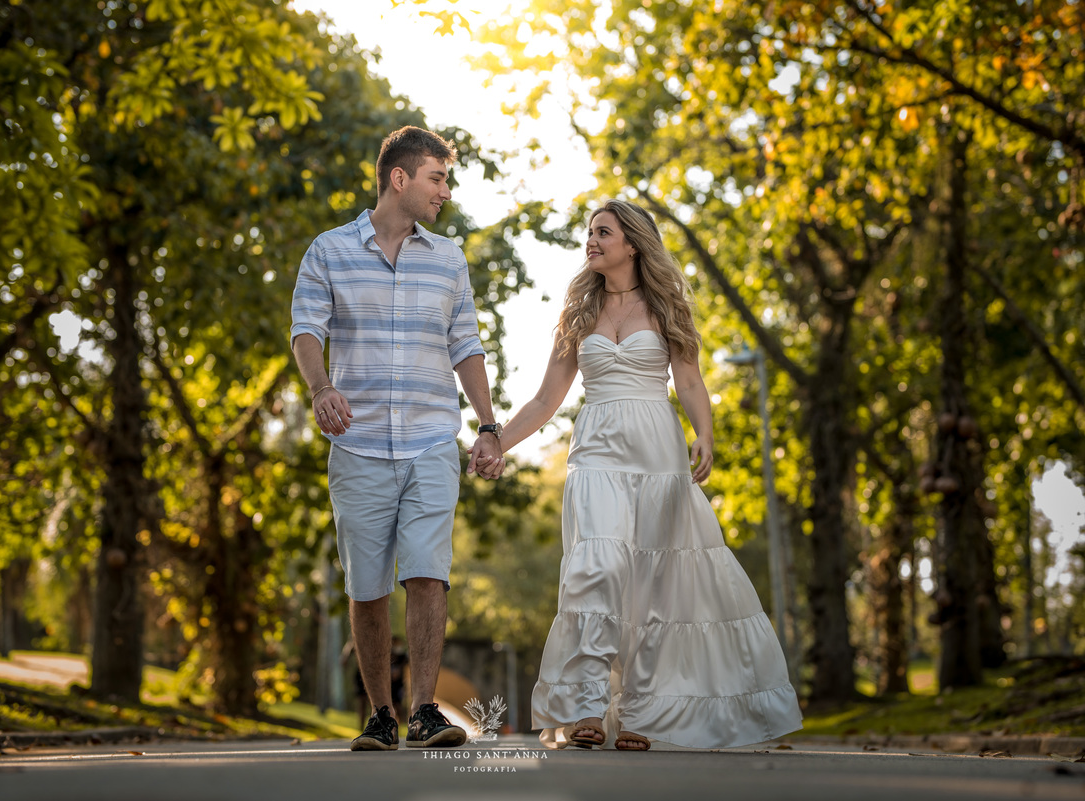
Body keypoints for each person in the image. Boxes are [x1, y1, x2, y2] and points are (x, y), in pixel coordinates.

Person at [496, 198, 803, 750]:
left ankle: (644, 713)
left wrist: (704, 433)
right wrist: (497, 442)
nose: (591, 241)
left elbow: (690, 381)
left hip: (657, 454)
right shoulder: (578, 315)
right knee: (596, 568)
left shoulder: (666, 309)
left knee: (656, 585)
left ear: (633, 245)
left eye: (602, 233)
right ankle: (586, 707)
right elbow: (545, 399)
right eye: (590, 233)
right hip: (596, 454)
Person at [291, 126, 504, 751]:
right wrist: (320, 388)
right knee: (367, 586)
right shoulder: (329, 251)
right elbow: (306, 329)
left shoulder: (449, 258)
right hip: (357, 444)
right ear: (399, 178)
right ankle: (381, 714)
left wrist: (488, 425)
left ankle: (424, 711)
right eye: (437, 178)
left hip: (432, 438)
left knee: (428, 573)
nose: (446, 191)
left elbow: (466, 343)